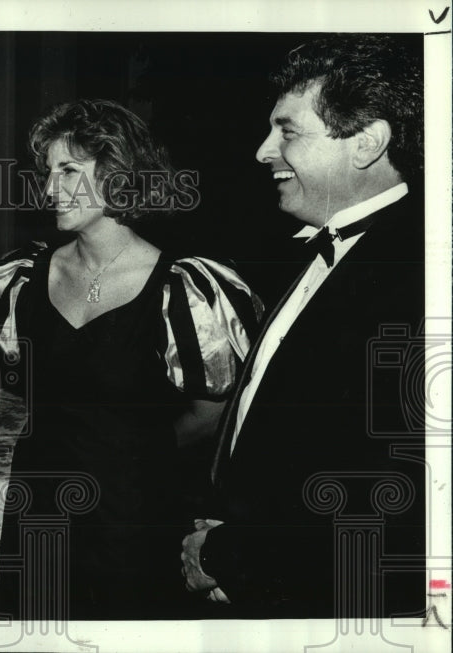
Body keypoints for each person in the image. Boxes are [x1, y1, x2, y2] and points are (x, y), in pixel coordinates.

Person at [0, 99, 264, 620]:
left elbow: (214, 410)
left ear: (119, 173)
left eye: (69, 171)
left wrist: (132, 450)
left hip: (137, 520)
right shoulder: (19, 279)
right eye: (47, 172)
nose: (48, 190)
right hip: (39, 518)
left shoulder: (185, 286)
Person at [181, 35, 425, 618]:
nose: (263, 151)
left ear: (367, 143)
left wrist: (225, 553)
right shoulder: (317, 253)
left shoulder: (418, 278)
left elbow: (394, 498)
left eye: (287, 131)